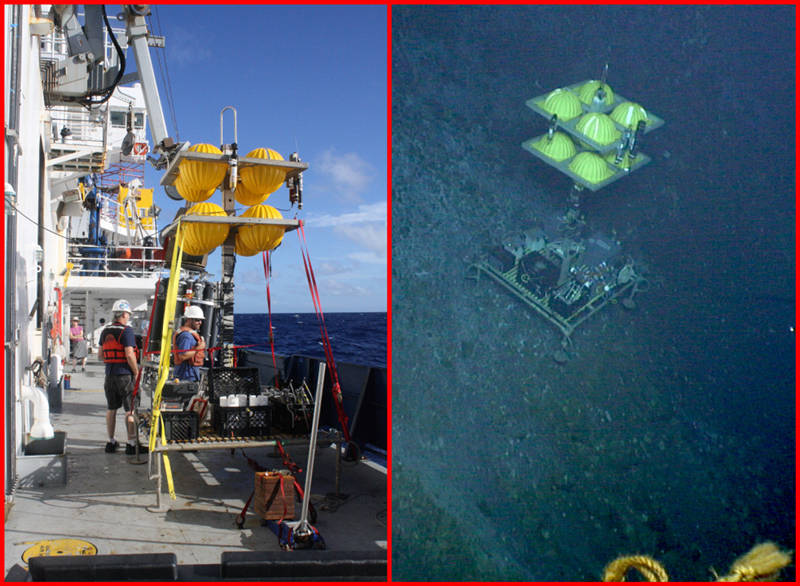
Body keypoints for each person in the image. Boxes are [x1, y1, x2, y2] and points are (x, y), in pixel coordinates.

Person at [100, 299, 146, 455]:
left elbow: (100, 355)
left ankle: (111, 442)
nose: (128, 317)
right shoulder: (126, 331)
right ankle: (131, 443)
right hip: (125, 376)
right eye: (128, 314)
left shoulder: (105, 331)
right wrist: (136, 372)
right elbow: (129, 354)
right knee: (130, 410)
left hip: (109, 375)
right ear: (124, 314)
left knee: (111, 409)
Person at [172, 305, 206, 382]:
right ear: (189, 320)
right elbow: (183, 356)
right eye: (197, 320)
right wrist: (199, 348)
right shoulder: (186, 336)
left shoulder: (189, 334)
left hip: (189, 374)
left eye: (201, 320)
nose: (200, 322)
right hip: (186, 376)